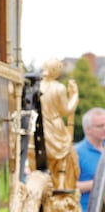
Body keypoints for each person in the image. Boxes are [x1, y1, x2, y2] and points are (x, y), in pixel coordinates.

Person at [39, 58, 79, 191]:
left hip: (40, 126)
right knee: (62, 153)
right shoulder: (59, 88)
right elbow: (66, 110)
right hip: (55, 126)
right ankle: (60, 184)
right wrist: (74, 96)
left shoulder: (37, 86)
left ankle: (50, 182)